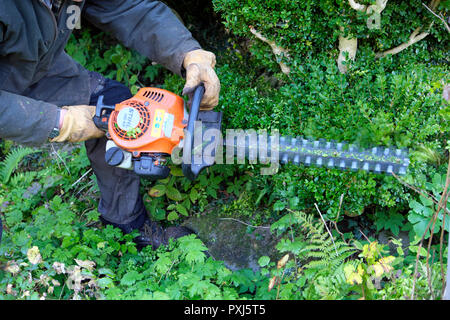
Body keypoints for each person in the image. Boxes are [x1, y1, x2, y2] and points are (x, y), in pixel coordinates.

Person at [0, 0, 221, 249]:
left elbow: (129, 8)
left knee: (114, 107)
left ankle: (125, 225)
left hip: (34, 72)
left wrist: (188, 53)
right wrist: (61, 121)